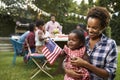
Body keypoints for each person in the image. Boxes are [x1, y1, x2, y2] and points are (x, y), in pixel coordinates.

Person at [65, 6, 118, 80]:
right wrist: (68, 71)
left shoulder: (110, 44)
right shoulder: (81, 41)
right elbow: (66, 61)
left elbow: (110, 74)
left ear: (103, 27)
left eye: (94, 28)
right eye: (88, 26)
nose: (90, 30)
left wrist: (86, 64)